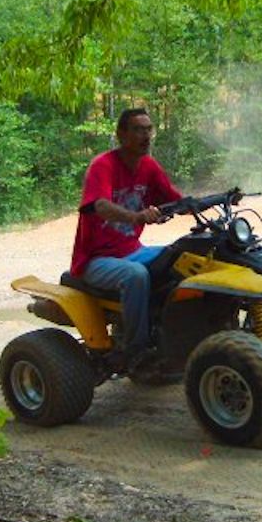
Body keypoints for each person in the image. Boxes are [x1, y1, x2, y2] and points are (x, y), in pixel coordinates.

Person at [70, 107, 183, 370]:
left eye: (148, 129)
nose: (145, 136)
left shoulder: (149, 166)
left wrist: (212, 202)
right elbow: (100, 206)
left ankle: (170, 335)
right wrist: (137, 216)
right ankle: (136, 350)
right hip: (95, 259)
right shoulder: (103, 165)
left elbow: (174, 199)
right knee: (136, 276)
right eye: (138, 129)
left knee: (182, 259)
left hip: (132, 250)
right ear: (121, 134)